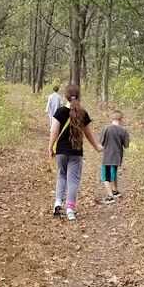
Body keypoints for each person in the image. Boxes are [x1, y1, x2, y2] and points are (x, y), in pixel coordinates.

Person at [48, 83, 102, 221]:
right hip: (76, 153)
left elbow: (54, 131)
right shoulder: (83, 113)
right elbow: (88, 134)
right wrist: (97, 147)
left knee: (61, 176)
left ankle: (58, 203)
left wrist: (50, 147)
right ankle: (70, 209)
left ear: (65, 96)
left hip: (61, 151)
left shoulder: (60, 112)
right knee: (73, 180)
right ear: (79, 96)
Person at [100, 110, 130, 202]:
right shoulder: (124, 131)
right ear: (121, 119)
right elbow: (126, 145)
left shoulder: (106, 129)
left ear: (112, 118)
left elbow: (101, 143)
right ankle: (115, 191)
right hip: (117, 157)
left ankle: (110, 197)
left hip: (107, 157)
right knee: (114, 174)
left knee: (105, 178)